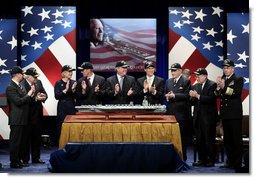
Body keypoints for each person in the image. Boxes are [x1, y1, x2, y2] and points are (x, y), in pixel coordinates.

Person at [214, 59, 244, 171]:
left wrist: (223, 87)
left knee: (236, 140)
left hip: (234, 114)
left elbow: (236, 93)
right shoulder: (223, 80)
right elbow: (217, 95)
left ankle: (237, 163)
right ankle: (230, 161)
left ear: (232, 68)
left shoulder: (238, 79)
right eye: (224, 68)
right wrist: (218, 87)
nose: (225, 70)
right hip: (225, 114)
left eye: (227, 68)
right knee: (227, 140)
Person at [6, 66, 35, 168]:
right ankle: (13, 162)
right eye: (21, 74)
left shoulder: (19, 86)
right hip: (16, 119)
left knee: (21, 142)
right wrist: (29, 94)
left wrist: (31, 96)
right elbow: (18, 101)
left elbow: (25, 99)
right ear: (17, 74)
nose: (23, 75)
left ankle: (18, 160)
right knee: (15, 142)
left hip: (23, 118)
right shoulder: (11, 87)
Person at [190, 68, 218, 167]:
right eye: (196, 76)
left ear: (205, 76)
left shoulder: (212, 85)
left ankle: (211, 159)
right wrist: (192, 97)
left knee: (208, 139)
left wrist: (197, 96)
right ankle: (202, 159)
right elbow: (192, 102)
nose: (196, 77)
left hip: (208, 118)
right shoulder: (195, 85)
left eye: (198, 75)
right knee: (199, 140)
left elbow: (211, 99)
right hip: (198, 117)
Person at [20, 67, 47, 165]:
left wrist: (43, 97)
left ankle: (36, 158)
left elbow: (44, 93)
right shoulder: (22, 84)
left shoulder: (38, 82)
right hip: (27, 116)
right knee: (26, 138)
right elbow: (24, 99)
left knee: (37, 138)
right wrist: (36, 98)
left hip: (38, 115)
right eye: (34, 77)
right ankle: (25, 159)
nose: (35, 79)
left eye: (36, 77)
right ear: (28, 76)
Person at [165, 63, 191, 161]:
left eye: (175, 70)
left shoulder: (186, 81)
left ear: (180, 71)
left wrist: (174, 96)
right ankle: (171, 158)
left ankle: (182, 158)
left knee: (181, 138)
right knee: (170, 137)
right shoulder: (168, 81)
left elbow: (186, 96)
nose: (172, 72)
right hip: (170, 114)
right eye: (171, 70)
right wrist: (167, 97)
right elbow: (166, 94)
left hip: (181, 115)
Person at [54, 65, 77, 143]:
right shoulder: (58, 83)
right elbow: (57, 96)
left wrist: (73, 90)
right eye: (69, 71)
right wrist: (65, 90)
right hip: (62, 106)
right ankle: (61, 142)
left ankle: (72, 142)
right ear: (63, 73)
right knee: (61, 124)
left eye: (71, 71)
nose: (71, 73)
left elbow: (77, 96)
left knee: (72, 125)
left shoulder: (74, 82)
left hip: (71, 105)